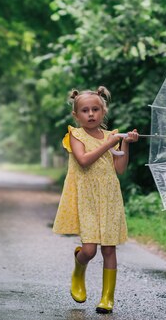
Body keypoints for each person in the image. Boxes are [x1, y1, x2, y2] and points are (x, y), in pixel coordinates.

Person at [52, 86, 139, 314]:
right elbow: (83, 161)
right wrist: (110, 144)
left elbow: (119, 168)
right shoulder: (75, 135)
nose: (90, 114)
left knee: (109, 249)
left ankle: (107, 298)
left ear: (103, 111)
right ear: (76, 115)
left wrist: (125, 143)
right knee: (89, 250)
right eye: (84, 110)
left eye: (95, 110)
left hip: (109, 197)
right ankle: (79, 269)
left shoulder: (112, 137)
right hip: (87, 198)